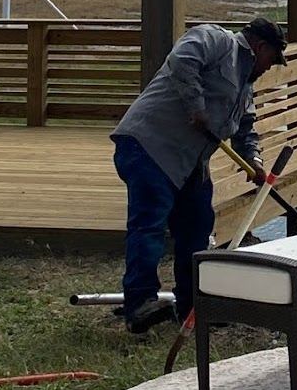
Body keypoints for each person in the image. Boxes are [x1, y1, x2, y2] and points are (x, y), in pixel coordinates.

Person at [111, 17, 287, 334]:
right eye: (271, 60)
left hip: (190, 163)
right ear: (260, 47)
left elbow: (245, 130)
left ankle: (193, 307)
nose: (269, 68)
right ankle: (140, 303)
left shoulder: (245, 89)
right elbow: (182, 61)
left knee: (197, 230)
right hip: (150, 146)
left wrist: (254, 160)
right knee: (148, 225)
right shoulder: (214, 40)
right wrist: (195, 105)